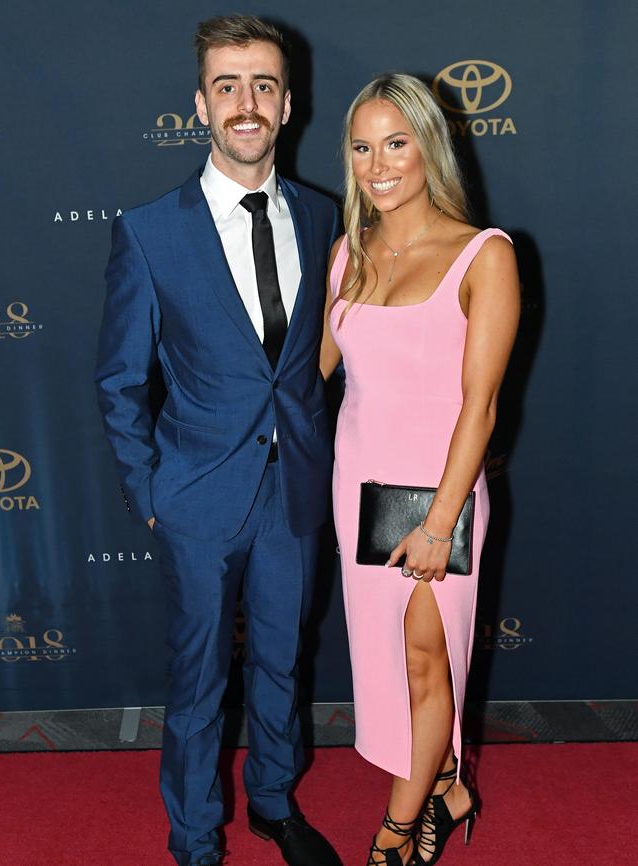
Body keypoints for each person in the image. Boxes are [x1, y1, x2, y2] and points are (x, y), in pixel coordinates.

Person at [95, 15, 342, 866]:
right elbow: (120, 379)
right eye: (228, 86)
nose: (247, 103)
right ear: (201, 103)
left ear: (287, 102)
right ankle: (197, 838)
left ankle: (274, 803)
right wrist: (151, 494)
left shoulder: (322, 216)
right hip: (197, 500)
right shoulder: (150, 230)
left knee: (281, 664)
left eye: (263, 85)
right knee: (199, 684)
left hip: (296, 494)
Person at [320, 73, 520, 865]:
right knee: (383, 656)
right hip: (356, 484)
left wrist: (441, 521)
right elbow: (312, 379)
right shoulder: (347, 252)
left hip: (436, 491)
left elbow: (481, 407)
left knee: (426, 655)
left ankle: (395, 835)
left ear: (428, 145)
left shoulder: (484, 255)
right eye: (362, 147)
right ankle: (448, 785)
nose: (378, 164)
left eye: (395, 143)